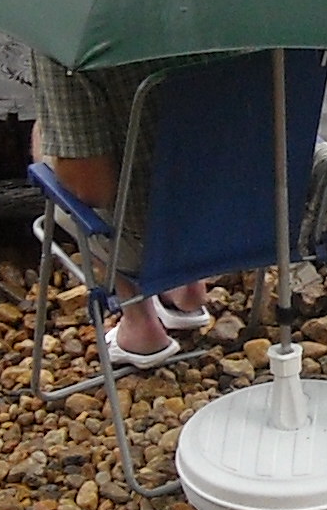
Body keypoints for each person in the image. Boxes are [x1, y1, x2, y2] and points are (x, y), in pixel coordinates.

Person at [35, 56, 213, 369]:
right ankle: (188, 288)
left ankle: (140, 323)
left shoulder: (71, 40)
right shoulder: (250, 11)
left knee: (49, 142)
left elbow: (91, 191)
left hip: (149, 244)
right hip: (260, 226)